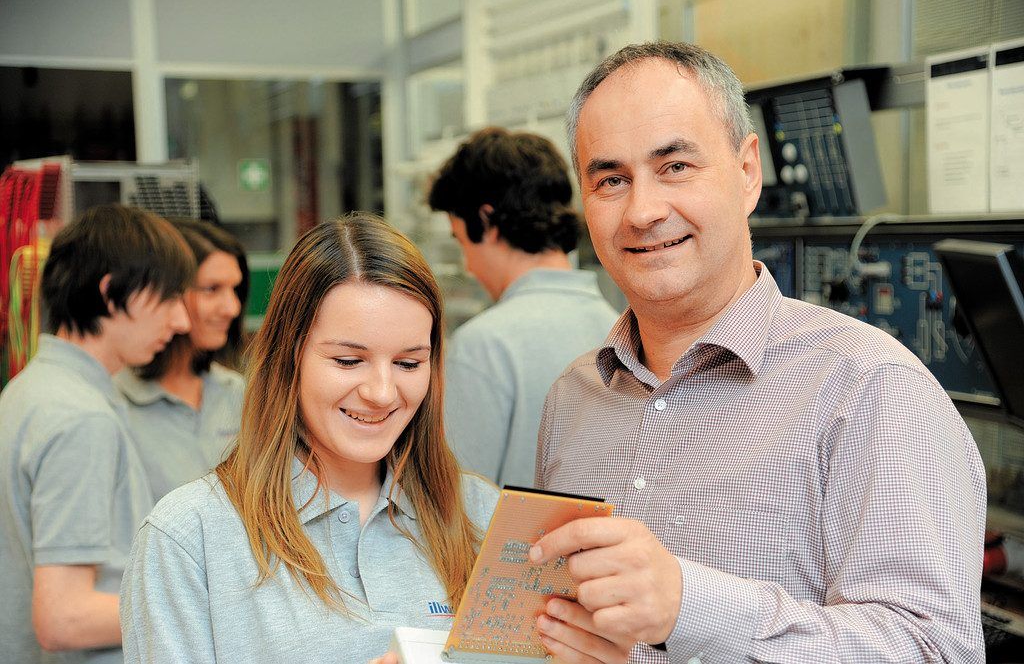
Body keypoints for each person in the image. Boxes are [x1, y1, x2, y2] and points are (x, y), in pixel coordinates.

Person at [528, 42, 987, 663]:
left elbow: (933, 652)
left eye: (676, 167)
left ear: (748, 172)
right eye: (611, 180)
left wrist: (689, 607)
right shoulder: (574, 400)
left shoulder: (870, 388)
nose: (642, 211)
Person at [120, 214, 498, 662]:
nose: (381, 392)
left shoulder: (483, 518)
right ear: (288, 357)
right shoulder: (188, 538)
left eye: (409, 364)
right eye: (347, 360)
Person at [0, 204, 194, 664]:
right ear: (111, 295)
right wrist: (200, 603)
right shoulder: (80, 417)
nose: (182, 321)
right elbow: (64, 617)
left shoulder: (29, 390)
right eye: (168, 298)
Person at [429, 127, 619, 486]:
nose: (468, 266)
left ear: (485, 221)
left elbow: (454, 507)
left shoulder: (483, 345)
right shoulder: (621, 329)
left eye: (461, 241)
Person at [115, 217, 249, 502]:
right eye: (212, 289)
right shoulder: (117, 403)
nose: (232, 307)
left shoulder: (238, 392)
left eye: (235, 290)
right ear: (167, 294)